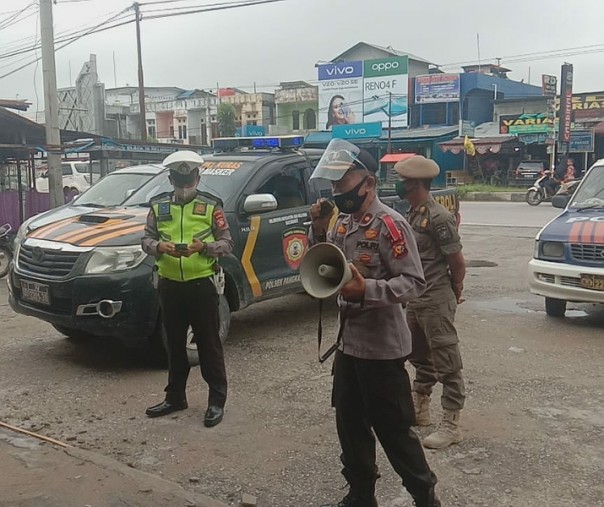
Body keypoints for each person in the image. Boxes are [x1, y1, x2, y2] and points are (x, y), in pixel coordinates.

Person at [309, 139, 441, 507]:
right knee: (349, 425)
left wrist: (365, 289)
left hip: (382, 350)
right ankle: (361, 493)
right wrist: (319, 230)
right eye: (333, 185)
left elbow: (414, 282)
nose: (337, 192)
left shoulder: (390, 224)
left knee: (394, 430)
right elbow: (322, 265)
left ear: (367, 182)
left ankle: (424, 495)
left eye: (343, 182)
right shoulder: (341, 224)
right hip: (349, 345)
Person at [142, 150, 234, 428]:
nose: (184, 186)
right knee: (174, 346)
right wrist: (158, 246)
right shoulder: (158, 206)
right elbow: (146, 239)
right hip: (170, 285)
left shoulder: (211, 205)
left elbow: (227, 243)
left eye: (189, 180)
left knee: (209, 346)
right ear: (170, 179)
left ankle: (216, 401)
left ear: (197, 177)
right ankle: (175, 397)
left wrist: (205, 247)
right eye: (179, 181)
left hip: (202, 286)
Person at [393, 155, 466, 450]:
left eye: (404, 181)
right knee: (417, 355)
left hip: (436, 298)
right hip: (416, 298)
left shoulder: (439, 217)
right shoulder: (411, 214)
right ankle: (420, 409)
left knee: (447, 361)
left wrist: (455, 290)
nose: (400, 185)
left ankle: (451, 424)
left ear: (415, 184)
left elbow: (457, 261)